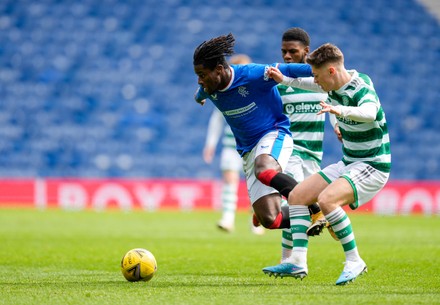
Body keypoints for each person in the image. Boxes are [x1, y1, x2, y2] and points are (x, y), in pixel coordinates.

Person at [262, 43, 391, 285]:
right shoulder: (333, 84)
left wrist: (338, 110)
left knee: (327, 200)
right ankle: (297, 261)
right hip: (350, 162)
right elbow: (309, 83)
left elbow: (370, 113)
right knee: (298, 195)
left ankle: (354, 260)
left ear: (331, 71)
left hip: (373, 165)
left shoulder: (361, 87)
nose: (316, 82)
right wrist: (285, 80)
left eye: (318, 76)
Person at [193, 33, 313, 234]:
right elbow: (200, 94)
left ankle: (314, 206)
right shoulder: (207, 87)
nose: (199, 80)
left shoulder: (253, 74)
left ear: (220, 70)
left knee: (264, 169)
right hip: (247, 151)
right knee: (270, 219)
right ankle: (318, 211)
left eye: (202, 75)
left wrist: (325, 69)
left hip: (273, 133)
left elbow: (291, 69)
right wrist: (199, 98)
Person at [274, 27, 341, 263]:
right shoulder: (279, 83)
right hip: (289, 151)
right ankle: (289, 260)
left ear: (306, 51)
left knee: (296, 205)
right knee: (295, 199)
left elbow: (333, 104)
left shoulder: (320, 82)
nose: (287, 57)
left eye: (293, 51)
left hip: (313, 154)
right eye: (284, 52)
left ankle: (292, 260)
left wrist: (337, 124)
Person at [203, 54, 264, 235]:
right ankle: (228, 218)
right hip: (232, 145)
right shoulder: (225, 93)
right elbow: (216, 120)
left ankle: (256, 220)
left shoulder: (256, 92)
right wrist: (210, 144)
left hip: (253, 144)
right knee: (230, 179)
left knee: (255, 182)